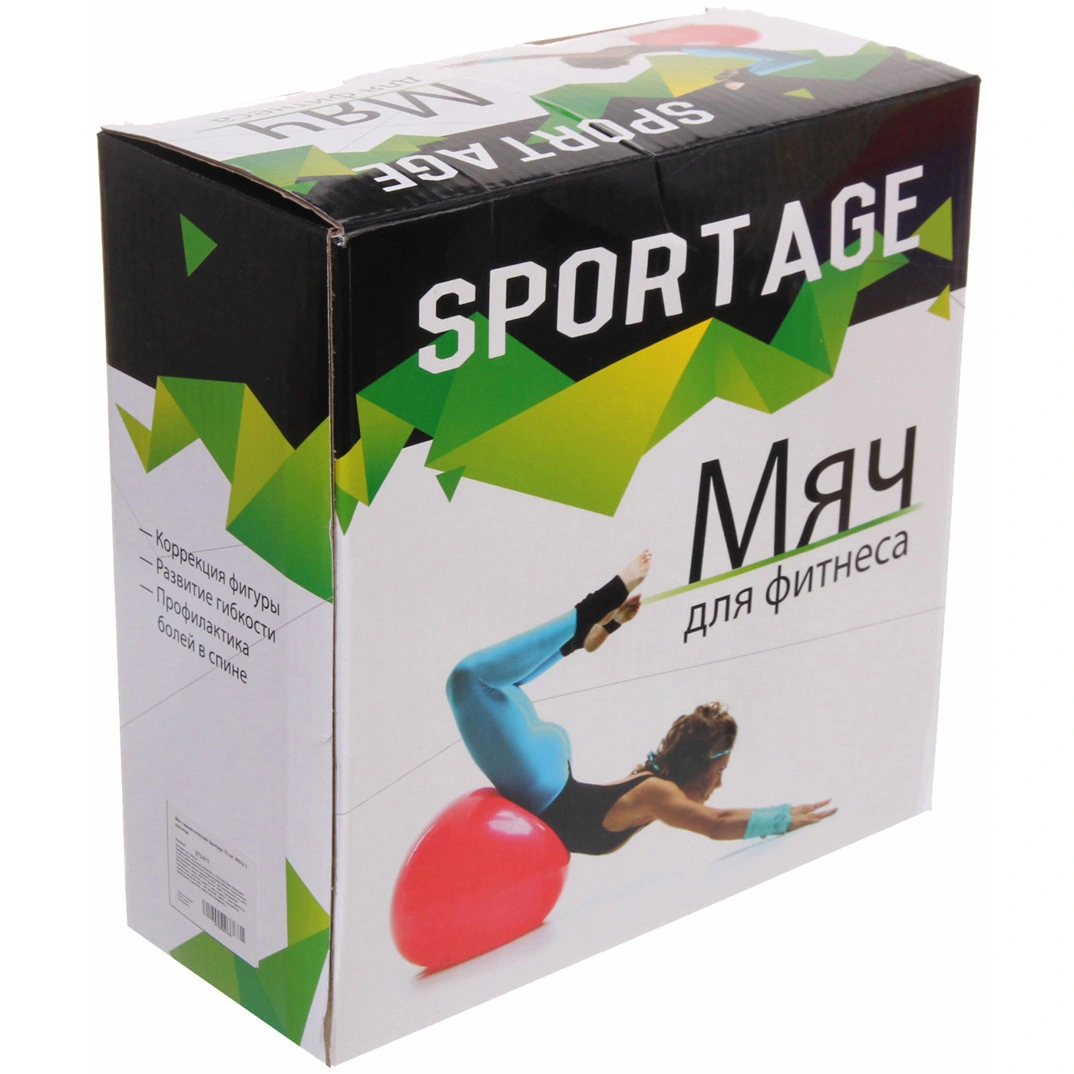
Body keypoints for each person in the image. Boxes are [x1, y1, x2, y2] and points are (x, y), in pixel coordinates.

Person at [446, 552, 836, 856]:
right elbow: (716, 823)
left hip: (545, 775)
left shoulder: (653, 788)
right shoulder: (657, 793)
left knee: (490, 681)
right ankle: (605, 600)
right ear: (697, 763)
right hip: (541, 779)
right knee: (468, 679)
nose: (719, 783)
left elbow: (715, 820)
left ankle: (591, 630)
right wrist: (781, 818)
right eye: (719, 771)